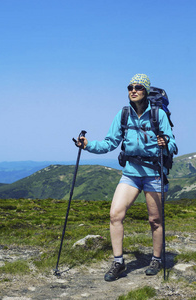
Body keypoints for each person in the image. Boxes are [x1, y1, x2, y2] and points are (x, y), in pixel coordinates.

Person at [77, 74, 177, 281]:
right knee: (115, 215)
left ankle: (157, 259)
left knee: (155, 220)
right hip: (131, 173)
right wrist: (88, 146)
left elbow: (173, 145)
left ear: (146, 91)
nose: (133, 90)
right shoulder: (123, 115)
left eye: (138, 87)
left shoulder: (159, 115)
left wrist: (165, 142)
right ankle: (118, 262)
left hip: (154, 173)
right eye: (130, 87)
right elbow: (109, 143)